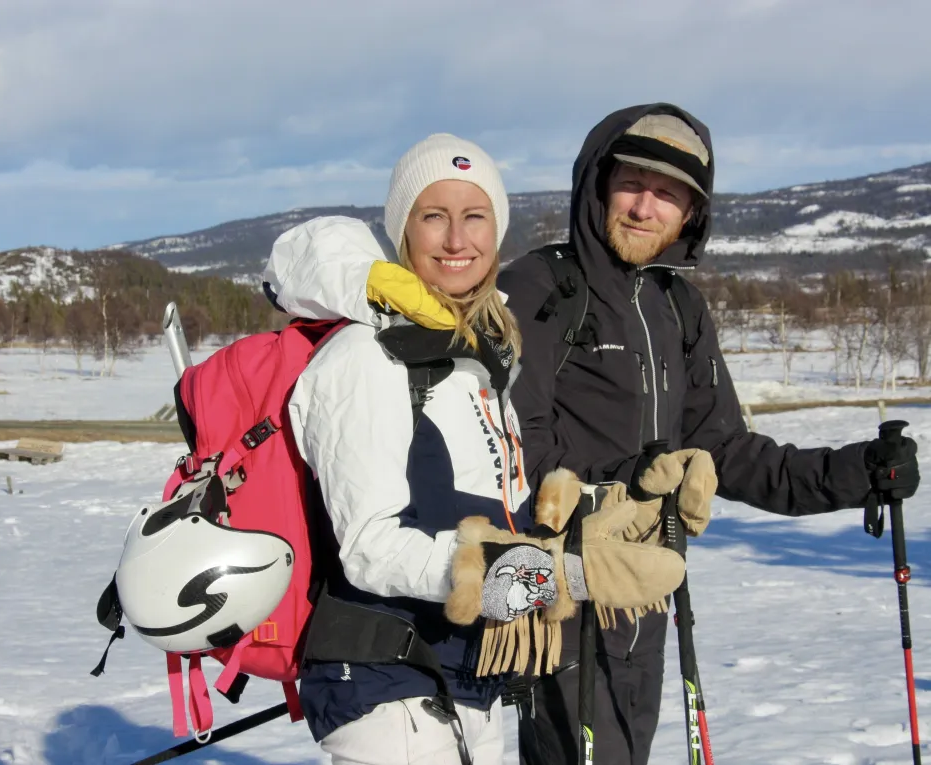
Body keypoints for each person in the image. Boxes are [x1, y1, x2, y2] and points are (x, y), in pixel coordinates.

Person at [496, 104, 921, 765]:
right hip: (567, 597)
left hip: (651, 594)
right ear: (600, 183)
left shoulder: (677, 307)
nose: (644, 207)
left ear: (691, 213)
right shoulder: (541, 285)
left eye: (668, 194)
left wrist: (857, 471)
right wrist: (622, 491)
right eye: (633, 183)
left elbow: (726, 449)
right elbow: (515, 444)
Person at [261, 133, 690, 765]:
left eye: (475, 216)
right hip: (388, 691)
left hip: (467, 677)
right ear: (403, 230)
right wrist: (551, 578)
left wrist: (615, 510)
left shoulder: (475, 362)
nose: (457, 241)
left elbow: (499, 511)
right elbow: (372, 548)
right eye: (434, 216)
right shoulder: (364, 357)